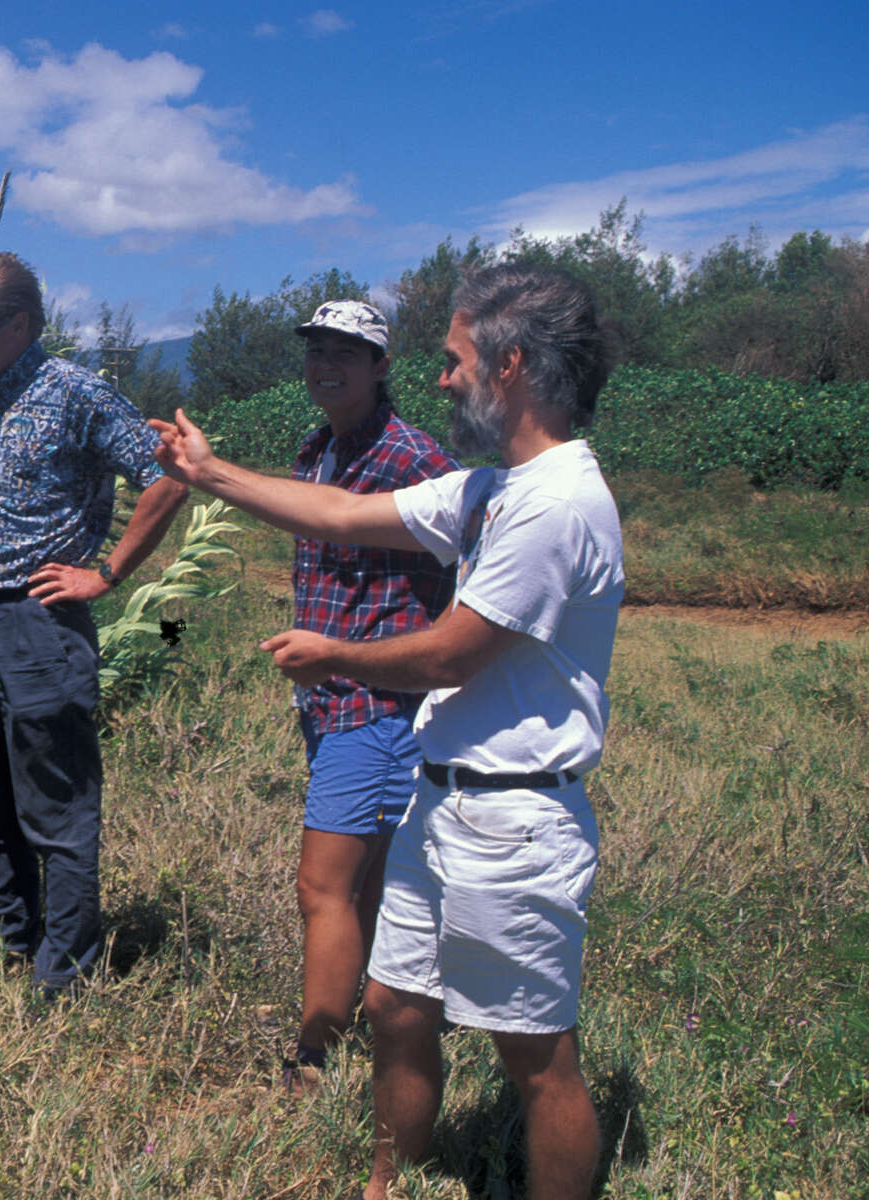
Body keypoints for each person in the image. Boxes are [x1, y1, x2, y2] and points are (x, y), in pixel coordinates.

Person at [152, 265, 620, 1200]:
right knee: (396, 1008)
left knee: (536, 1060)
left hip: (516, 821)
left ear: (511, 364)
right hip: (443, 804)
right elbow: (339, 510)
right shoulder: (492, 487)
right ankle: (383, 1186)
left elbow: (453, 653)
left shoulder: (554, 503)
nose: (442, 378)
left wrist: (338, 656)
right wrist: (208, 474)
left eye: (454, 361)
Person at [0, 251, 187, 1000]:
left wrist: (104, 575)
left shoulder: (76, 393)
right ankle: (6, 945)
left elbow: (168, 474)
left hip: (36, 625)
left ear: (19, 324)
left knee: (56, 806)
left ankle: (63, 976)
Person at [280, 300, 458, 1092]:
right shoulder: (318, 451)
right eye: (317, 349)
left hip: (378, 708)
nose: (327, 364)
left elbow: (481, 558)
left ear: (382, 365)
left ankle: (313, 1054)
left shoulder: (414, 459)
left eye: (347, 352)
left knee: (323, 885)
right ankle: (383, 1012)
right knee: (372, 880)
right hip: (331, 706)